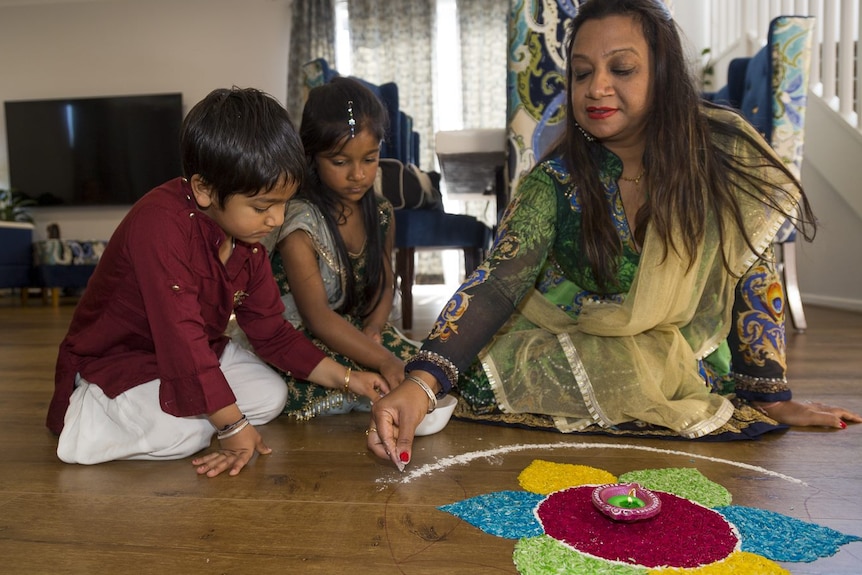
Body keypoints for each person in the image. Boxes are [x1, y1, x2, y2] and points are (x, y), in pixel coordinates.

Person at [367, 0, 862, 471]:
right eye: (582, 73)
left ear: (663, 75)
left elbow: (751, 266)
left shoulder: (715, 157)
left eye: (621, 69)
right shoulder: (556, 180)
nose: (596, 87)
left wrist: (769, 395)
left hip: (683, 357)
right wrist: (423, 385)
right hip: (579, 337)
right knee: (478, 371)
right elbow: (498, 282)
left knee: (662, 370)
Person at [46, 87, 386, 478]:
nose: (276, 220)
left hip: (187, 352)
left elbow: (271, 332)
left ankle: (187, 408)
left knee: (272, 395)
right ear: (204, 189)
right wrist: (233, 426)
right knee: (187, 435)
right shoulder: (160, 224)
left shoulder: (247, 237)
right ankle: (89, 415)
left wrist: (349, 379)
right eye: (262, 207)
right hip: (118, 360)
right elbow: (181, 340)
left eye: (283, 204)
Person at [260, 76, 417, 420]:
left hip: (353, 329)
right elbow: (316, 318)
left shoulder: (380, 212)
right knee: (371, 374)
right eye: (341, 162)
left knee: (421, 366)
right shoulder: (299, 222)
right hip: (300, 336)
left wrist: (375, 328)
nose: (358, 175)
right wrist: (381, 358)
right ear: (312, 156)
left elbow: (386, 283)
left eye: (370, 159)